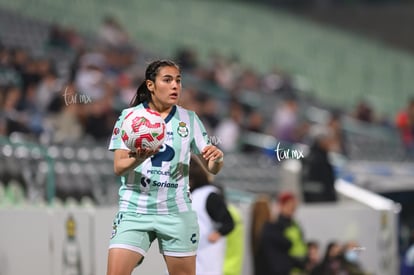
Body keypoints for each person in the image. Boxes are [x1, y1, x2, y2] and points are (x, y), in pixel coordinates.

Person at [106, 59, 224, 275]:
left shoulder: (189, 119)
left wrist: (217, 158)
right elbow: (119, 167)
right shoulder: (130, 117)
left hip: (175, 212)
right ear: (150, 85)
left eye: (178, 81)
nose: (175, 86)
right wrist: (140, 158)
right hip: (135, 210)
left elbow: (213, 168)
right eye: (167, 80)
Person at [189, 154, 234, 275]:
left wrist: (218, 233)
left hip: (206, 257)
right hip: (188, 256)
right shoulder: (189, 195)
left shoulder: (209, 194)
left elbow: (228, 222)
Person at [257, 192, 307, 275]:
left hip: (299, 269)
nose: (292, 208)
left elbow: (300, 244)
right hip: (288, 269)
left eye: (294, 205)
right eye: (289, 204)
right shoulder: (275, 225)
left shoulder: (295, 224)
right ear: (281, 205)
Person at [301, 125, 337, 203]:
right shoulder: (317, 160)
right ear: (321, 141)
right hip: (320, 203)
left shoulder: (314, 157)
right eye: (327, 140)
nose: (329, 143)